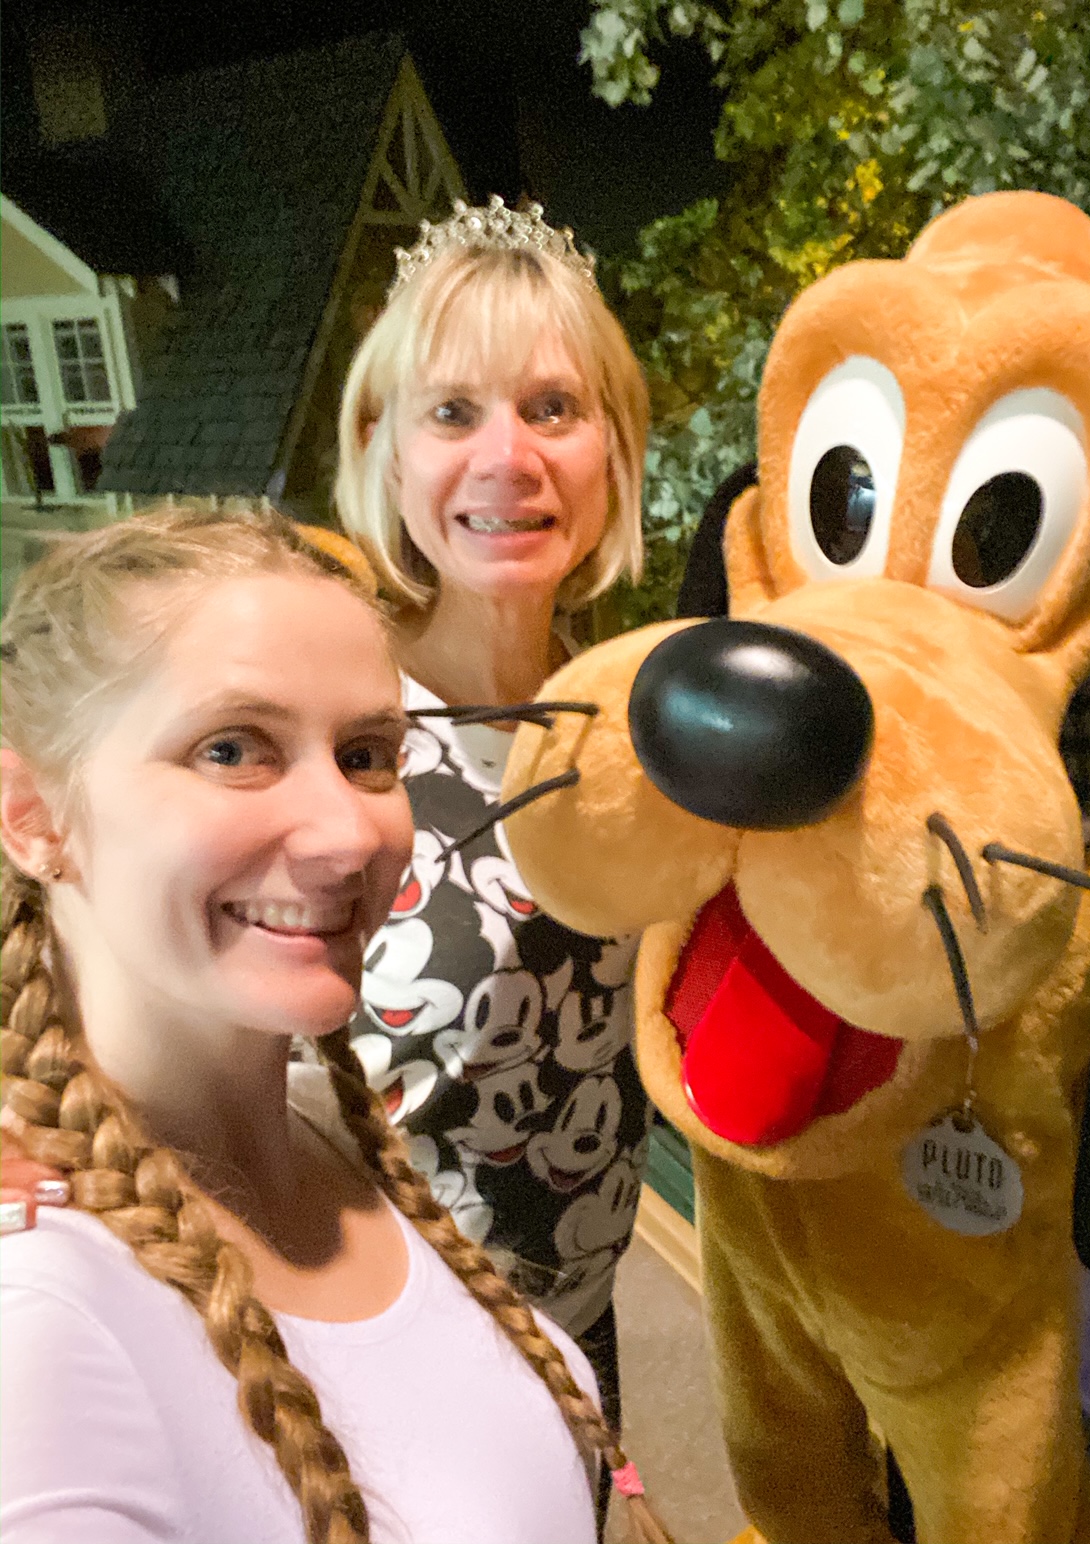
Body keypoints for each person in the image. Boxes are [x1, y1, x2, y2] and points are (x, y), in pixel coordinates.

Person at [0, 502, 666, 1544]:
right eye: (233, 747)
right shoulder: (40, 1317)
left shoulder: (332, 1128)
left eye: (367, 754)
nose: (350, 831)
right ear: (32, 812)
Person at [332, 196, 653, 1507]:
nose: (506, 458)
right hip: (358, 1401)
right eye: (452, 412)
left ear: (614, 450)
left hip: (581, 1370)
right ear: (387, 453)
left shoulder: (644, 738)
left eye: (552, 408)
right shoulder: (327, 727)